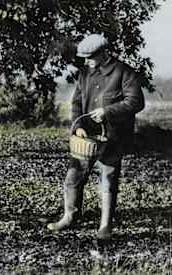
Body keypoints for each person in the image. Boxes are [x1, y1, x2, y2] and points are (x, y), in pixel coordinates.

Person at [47, 34, 145, 241]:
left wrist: (107, 111)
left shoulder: (124, 72)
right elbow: (76, 103)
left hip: (113, 138)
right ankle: (69, 216)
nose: (86, 61)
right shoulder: (85, 73)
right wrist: (78, 127)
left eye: (90, 57)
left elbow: (136, 102)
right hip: (86, 139)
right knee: (73, 177)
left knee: (108, 180)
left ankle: (105, 226)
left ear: (103, 54)